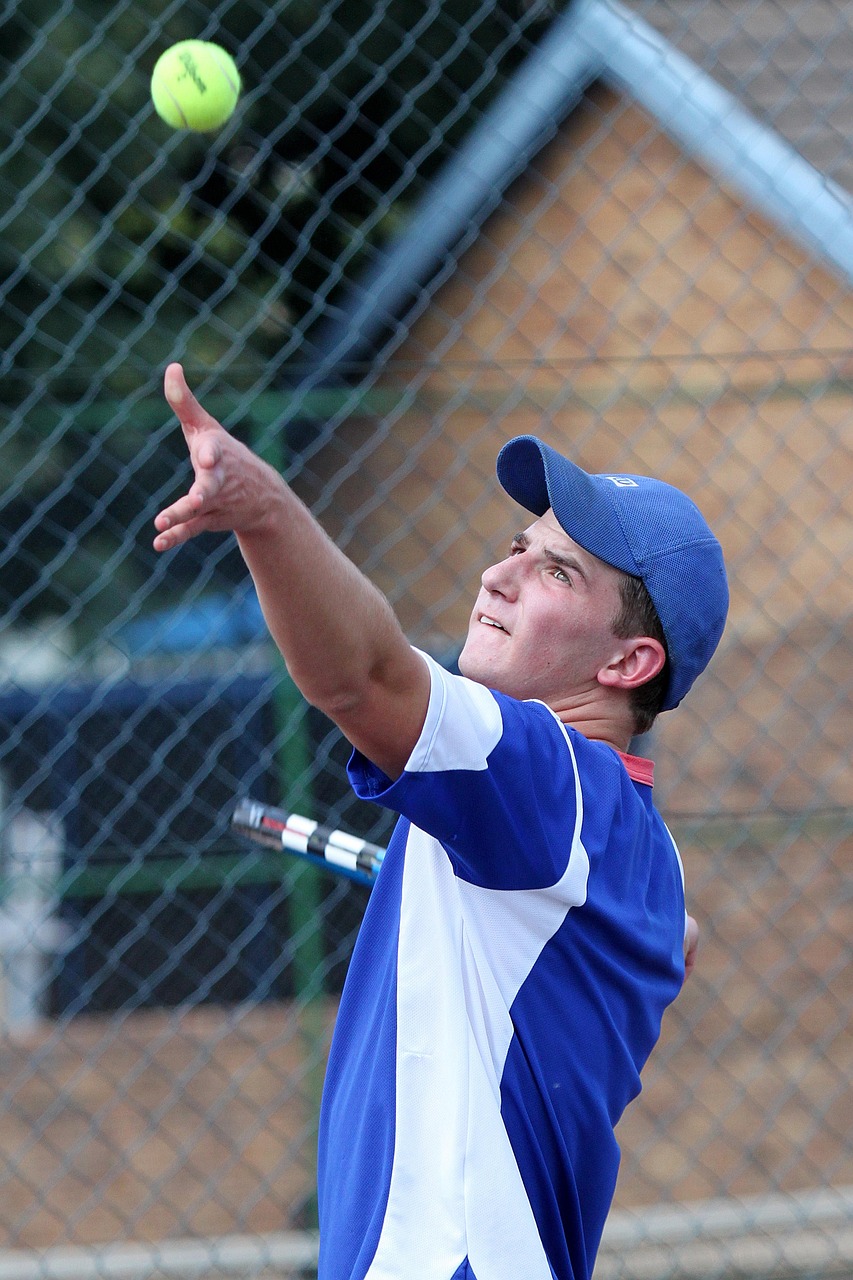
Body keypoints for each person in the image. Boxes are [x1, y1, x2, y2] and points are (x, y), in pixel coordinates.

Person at [153, 362, 728, 1280]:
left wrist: (264, 512)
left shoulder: (543, 775)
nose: (497, 575)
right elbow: (669, 935)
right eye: (513, 545)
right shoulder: (630, 843)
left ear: (627, 663)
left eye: (554, 571)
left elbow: (363, 679)